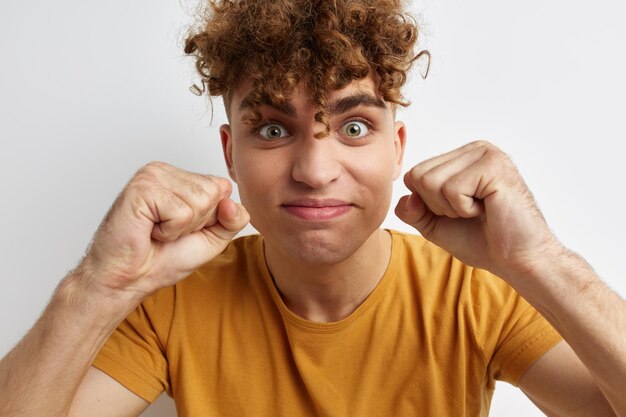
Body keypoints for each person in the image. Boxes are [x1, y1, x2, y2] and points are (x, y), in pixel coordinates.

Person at [0, 0, 624, 416]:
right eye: (273, 130)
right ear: (230, 153)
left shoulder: (476, 289)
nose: (316, 171)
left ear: (396, 146)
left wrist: (542, 261)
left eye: (354, 128)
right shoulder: (173, 298)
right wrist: (96, 285)